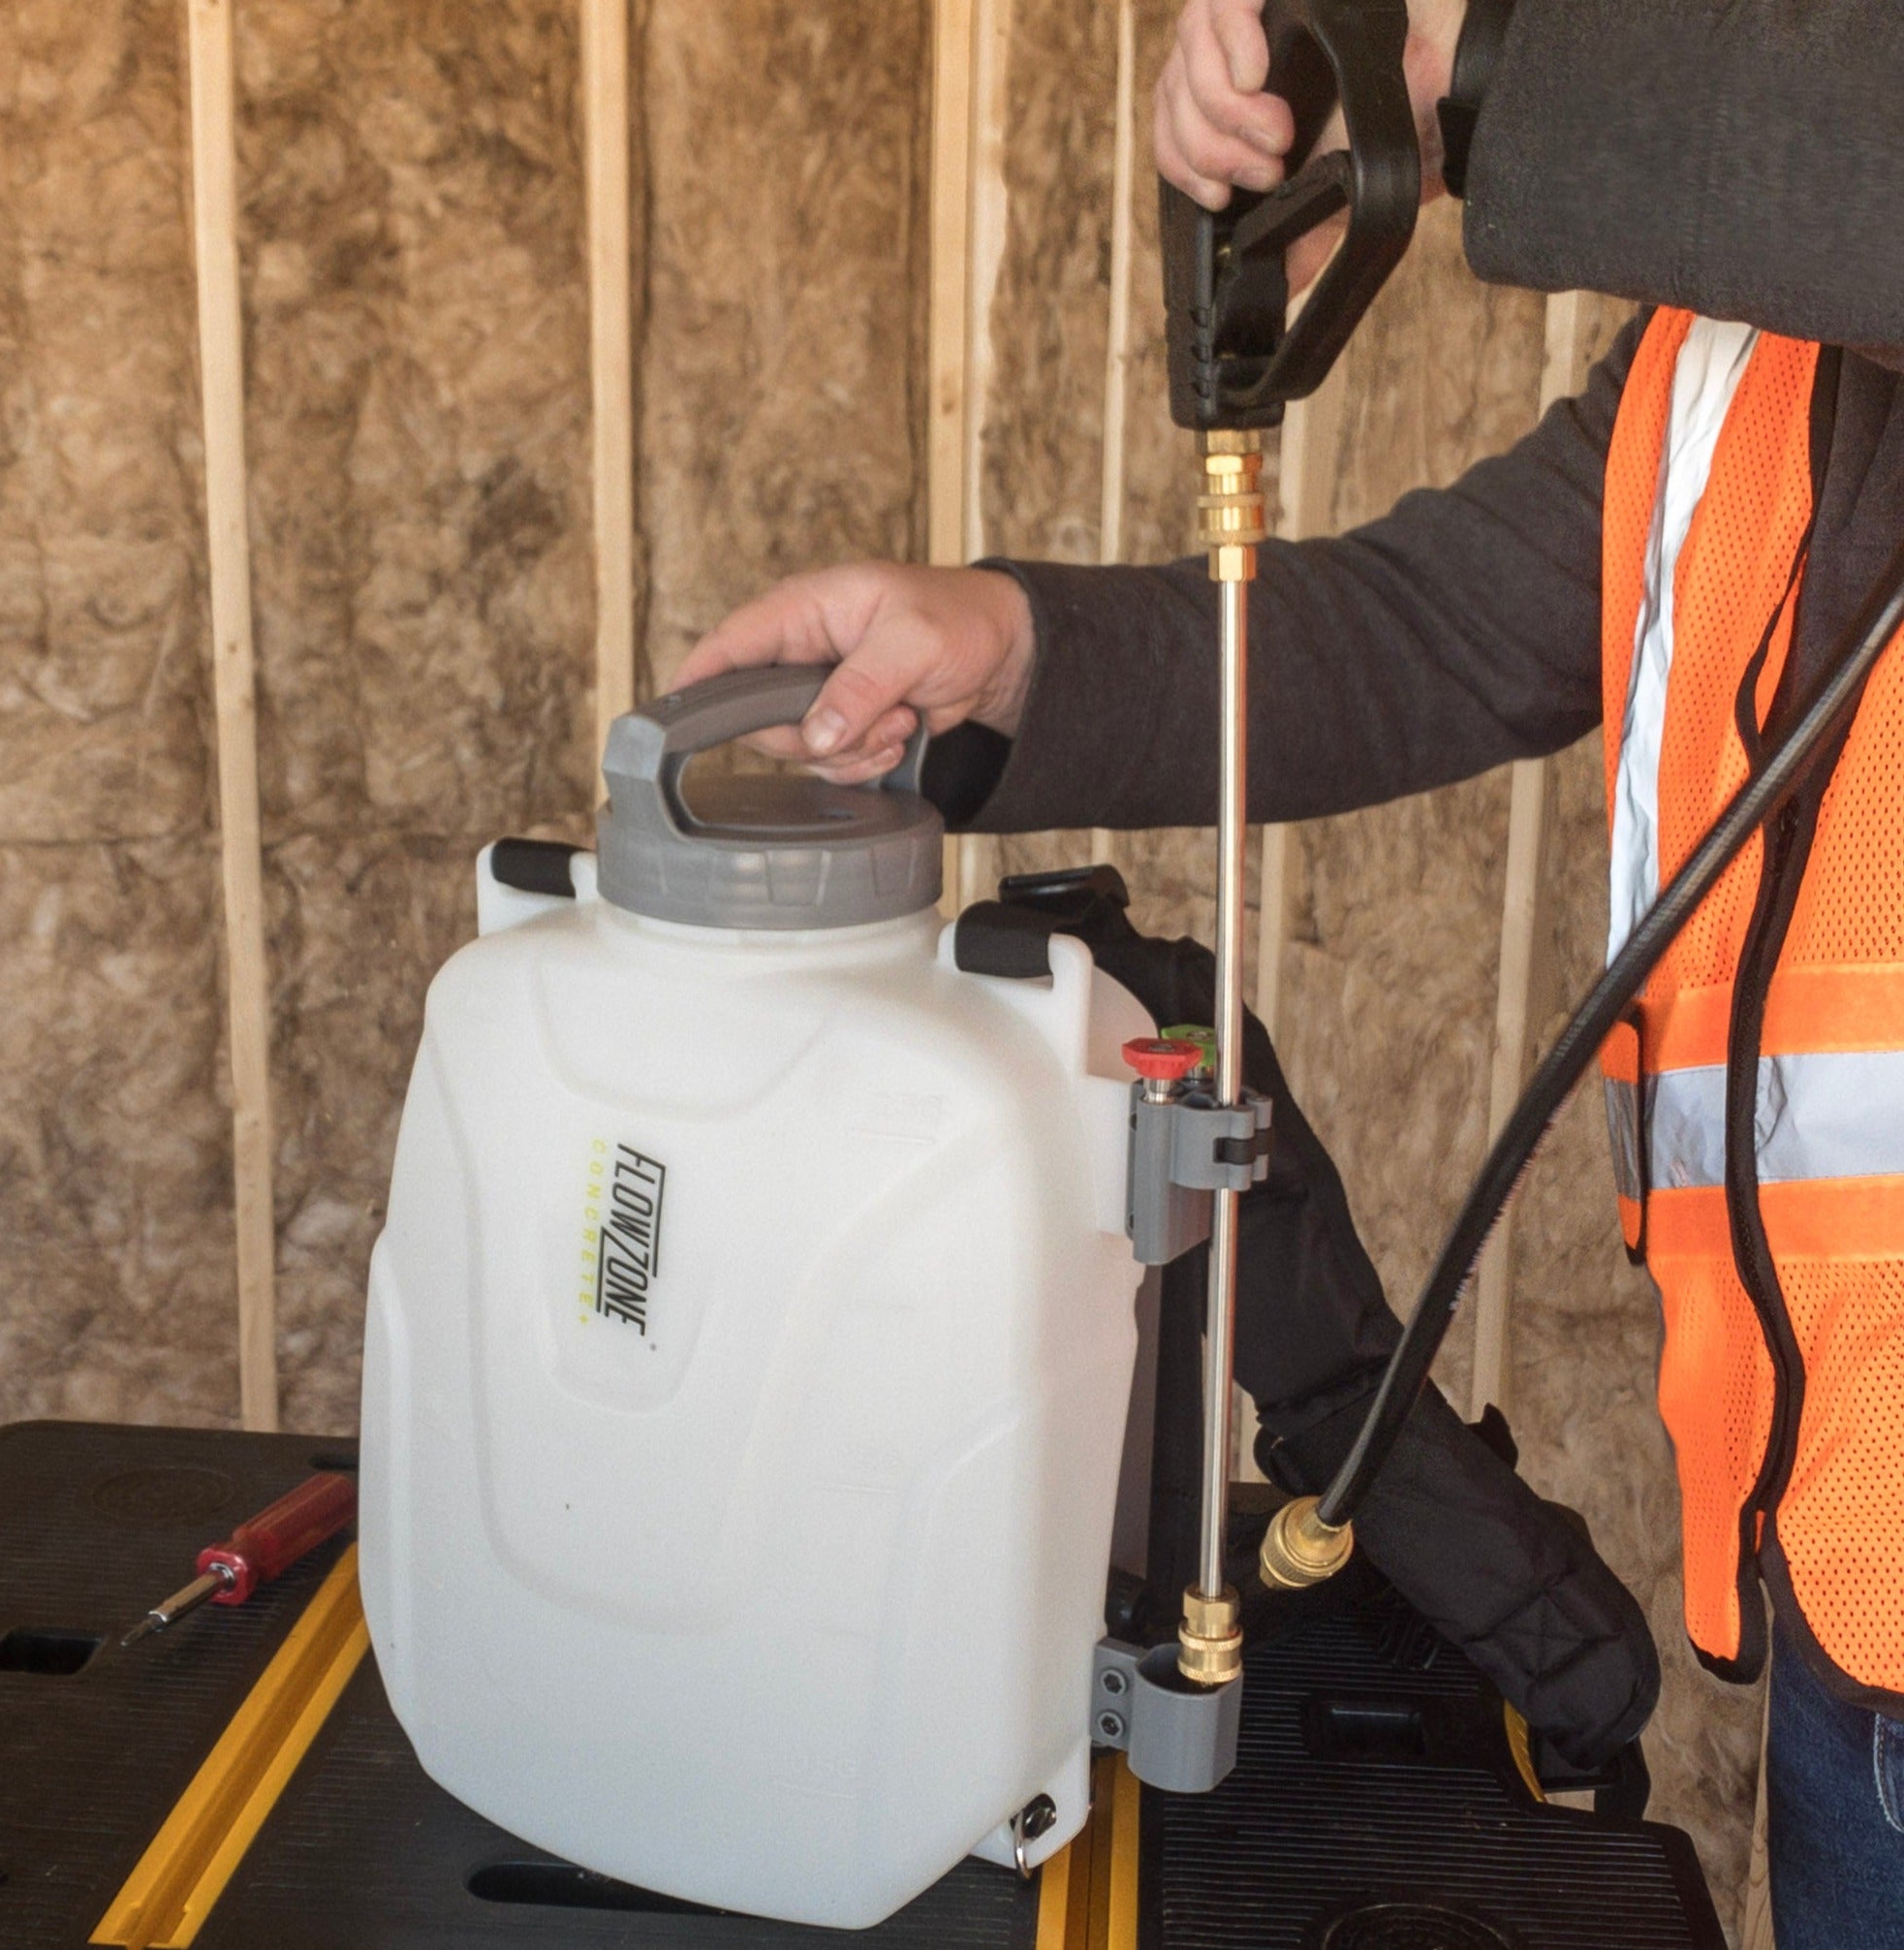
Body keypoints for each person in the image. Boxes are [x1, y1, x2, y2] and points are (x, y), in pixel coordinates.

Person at [675, 3, 1904, 1942]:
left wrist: (1483, 66)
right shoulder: (1744, 352)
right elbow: (1431, 627)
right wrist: (1002, 651)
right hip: (1859, 1571)